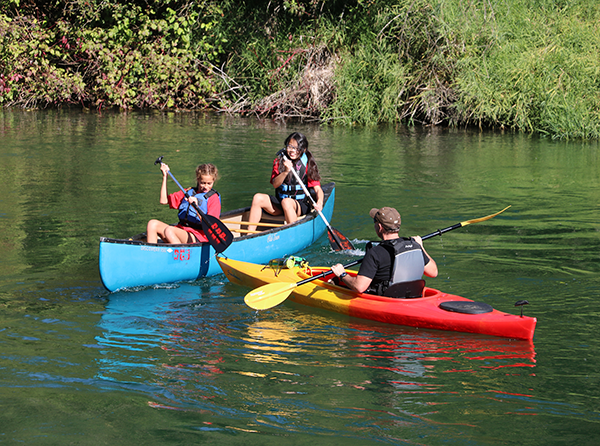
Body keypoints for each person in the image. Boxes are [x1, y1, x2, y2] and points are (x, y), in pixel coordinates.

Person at [331, 207, 438, 296]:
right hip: (412, 296)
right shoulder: (414, 246)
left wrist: (342, 274)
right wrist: (420, 247)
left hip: (384, 300)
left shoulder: (375, 252)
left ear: (379, 227)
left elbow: (359, 287)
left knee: (333, 283)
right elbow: (433, 272)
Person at [247, 132, 324, 231]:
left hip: (299, 205)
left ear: (303, 150)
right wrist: (286, 171)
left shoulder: (308, 163)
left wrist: (320, 203)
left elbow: (317, 189)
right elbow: (275, 184)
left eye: (296, 148)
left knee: (287, 202)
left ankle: (293, 233)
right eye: (290, 146)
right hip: (280, 204)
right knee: (258, 198)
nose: (292, 151)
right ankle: (249, 234)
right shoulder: (279, 162)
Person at [146, 163, 221, 244]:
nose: (206, 186)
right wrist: (165, 177)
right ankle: (152, 254)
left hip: (199, 235)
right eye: (203, 183)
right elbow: (163, 201)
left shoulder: (213, 198)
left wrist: (196, 207)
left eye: (209, 183)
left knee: (169, 230)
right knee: (152, 224)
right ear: (198, 180)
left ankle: (181, 255)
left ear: (214, 181)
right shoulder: (188, 192)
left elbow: (211, 225)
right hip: (181, 230)